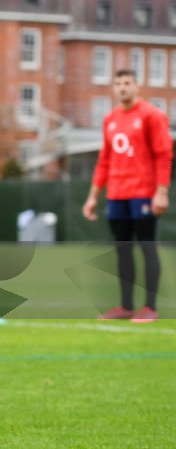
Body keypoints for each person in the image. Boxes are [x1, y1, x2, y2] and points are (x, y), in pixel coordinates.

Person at [82, 69, 171, 323]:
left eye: (127, 83)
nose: (122, 87)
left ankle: (150, 307)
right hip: (117, 195)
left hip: (144, 193)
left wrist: (161, 192)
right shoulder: (110, 119)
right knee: (123, 248)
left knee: (147, 245)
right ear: (113, 88)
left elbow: (164, 154)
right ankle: (126, 306)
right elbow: (104, 161)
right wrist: (92, 197)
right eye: (118, 83)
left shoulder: (151, 115)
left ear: (137, 86)